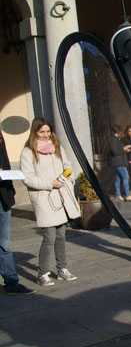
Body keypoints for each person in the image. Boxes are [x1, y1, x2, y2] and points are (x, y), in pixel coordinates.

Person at [20, 117, 82, 287]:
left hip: (61, 197)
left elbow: (67, 163)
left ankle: (62, 269)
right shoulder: (28, 152)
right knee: (49, 237)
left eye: (48, 131)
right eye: (42, 132)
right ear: (35, 132)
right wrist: (50, 183)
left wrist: (69, 176)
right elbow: (28, 178)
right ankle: (43, 273)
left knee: (61, 236)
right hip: (44, 198)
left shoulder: (57, 146)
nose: (46, 135)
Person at [0, 132, 34, 294]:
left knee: (3, 243)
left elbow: (5, 163)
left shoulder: (0, 137)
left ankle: (11, 282)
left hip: (2, 197)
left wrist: (10, 190)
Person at [108, 124, 131, 202]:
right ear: (117, 131)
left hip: (119, 161)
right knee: (126, 177)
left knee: (118, 178)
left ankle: (118, 195)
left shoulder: (115, 139)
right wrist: (124, 148)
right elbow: (115, 151)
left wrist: (126, 150)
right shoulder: (113, 139)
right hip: (118, 162)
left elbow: (117, 150)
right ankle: (127, 195)